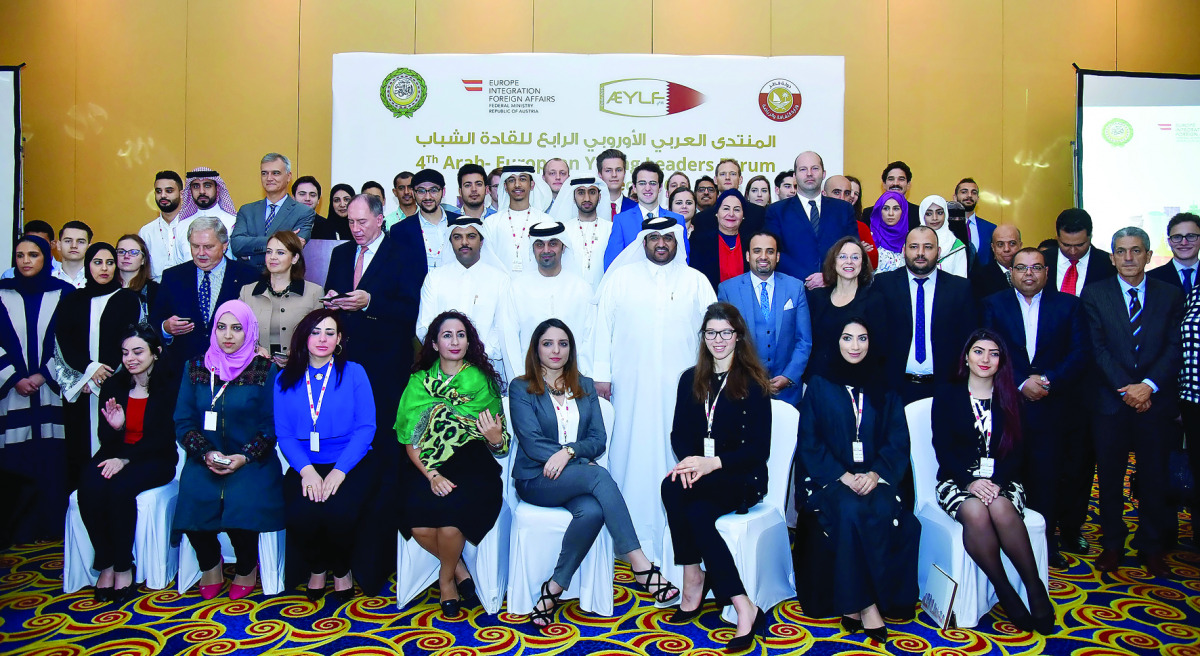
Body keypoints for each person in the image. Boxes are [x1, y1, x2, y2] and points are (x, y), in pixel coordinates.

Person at [510, 319, 679, 626]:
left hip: (573, 477)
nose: (556, 350)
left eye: (563, 343)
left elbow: (597, 440)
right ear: (536, 349)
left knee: (591, 512)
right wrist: (569, 458)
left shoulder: (584, 385)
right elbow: (532, 443)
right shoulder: (521, 387)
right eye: (548, 343)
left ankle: (552, 590)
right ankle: (641, 566)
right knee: (599, 476)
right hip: (536, 478)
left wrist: (569, 452)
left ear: (571, 349)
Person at [594, 216, 716, 562]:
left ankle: (676, 534)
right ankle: (629, 539)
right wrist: (601, 374)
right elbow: (602, 329)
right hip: (630, 385)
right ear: (643, 242)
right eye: (654, 238)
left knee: (676, 447)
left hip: (685, 387)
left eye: (668, 238)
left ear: (677, 241)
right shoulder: (620, 279)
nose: (661, 244)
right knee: (631, 450)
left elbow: (712, 333)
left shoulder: (696, 281)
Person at [794, 318, 918, 641]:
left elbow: (897, 440)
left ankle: (855, 604)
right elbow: (809, 442)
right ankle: (867, 604)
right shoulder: (819, 386)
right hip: (831, 481)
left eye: (862, 338)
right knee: (849, 510)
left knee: (878, 509)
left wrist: (876, 473)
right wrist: (843, 476)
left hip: (877, 478)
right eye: (847, 338)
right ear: (836, 341)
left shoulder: (885, 386)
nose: (855, 346)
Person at [661, 302, 771, 652]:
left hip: (741, 476)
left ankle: (738, 604)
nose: (718, 339)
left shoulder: (753, 382)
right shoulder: (690, 379)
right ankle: (701, 580)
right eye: (711, 333)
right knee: (672, 486)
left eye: (725, 332)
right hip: (703, 474)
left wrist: (713, 464)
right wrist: (690, 464)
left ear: (738, 336)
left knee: (691, 507)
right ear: (703, 337)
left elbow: (758, 450)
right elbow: (679, 436)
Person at [932, 329, 1055, 634]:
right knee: (974, 511)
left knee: (999, 508)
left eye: (993, 353)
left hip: (1004, 480)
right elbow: (943, 448)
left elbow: (1018, 450)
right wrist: (970, 482)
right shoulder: (948, 394)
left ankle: (1033, 586)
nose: (985, 359)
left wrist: (997, 481)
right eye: (978, 351)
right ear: (967, 356)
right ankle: (1004, 589)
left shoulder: (1010, 396)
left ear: (1002, 361)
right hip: (957, 480)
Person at [1081, 226, 1183, 577]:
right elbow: (1098, 349)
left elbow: (1174, 347)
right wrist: (1128, 388)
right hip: (1112, 403)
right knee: (1109, 478)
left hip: (1155, 403)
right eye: (1121, 251)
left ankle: (1151, 546)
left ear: (1148, 255)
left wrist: (1149, 386)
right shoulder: (1095, 294)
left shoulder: (1170, 295)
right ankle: (1113, 544)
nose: (1128, 258)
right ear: (1111, 257)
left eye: (1136, 251)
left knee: (1154, 477)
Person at [394, 310, 508, 618]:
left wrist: (495, 438)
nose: (454, 341)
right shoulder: (419, 381)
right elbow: (409, 440)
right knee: (417, 523)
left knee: (450, 521)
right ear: (433, 343)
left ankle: (446, 582)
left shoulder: (480, 380)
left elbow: (499, 443)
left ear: (469, 341)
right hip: (425, 463)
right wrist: (431, 475)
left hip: (473, 464)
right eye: (447, 335)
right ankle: (457, 568)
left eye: (461, 335)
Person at [982, 247, 1086, 569]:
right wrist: (1019, 383)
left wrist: (1048, 380)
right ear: (1011, 273)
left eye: (1036, 268)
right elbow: (986, 348)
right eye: (1021, 268)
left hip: (1052, 406)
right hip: (1006, 403)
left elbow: (1080, 353)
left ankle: (1045, 540)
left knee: (1047, 475)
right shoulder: (993, 304)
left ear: (1046, 272)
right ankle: (1007, 536)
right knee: (1009, 472)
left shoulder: (1068, 306)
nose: (1029, 274)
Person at [174, 300, 282, 600]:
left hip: (252, 461)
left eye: (237, 328)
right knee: (193, 499)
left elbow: (271, 425)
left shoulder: (264, 369)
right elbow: (183, 420)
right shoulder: (195, 367)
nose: (228, 335)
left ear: (249, 331)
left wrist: (244, 457)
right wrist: (205, 453)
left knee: (242, 502)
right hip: (204, 457)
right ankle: (210, 564)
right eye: (222, 327)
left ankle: (247, 566)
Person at [274, 308, 380, 600]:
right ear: (303, 337)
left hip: (351, 461)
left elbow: (366, 428)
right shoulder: (284, 378)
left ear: (340, 339)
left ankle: (342, 569)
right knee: (300, 514)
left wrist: (339, 471)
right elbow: (284, 434)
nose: (322, 339)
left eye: (330, 333)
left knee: (339, 513)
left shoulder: (355, 372)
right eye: (315, 332)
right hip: (305, 462)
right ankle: (317, 567)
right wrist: (307, 472)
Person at [325, 193, 426, 465]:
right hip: (345, 359)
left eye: (362, 222)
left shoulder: (404, 254)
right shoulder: (341, 253)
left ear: (380, 220)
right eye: (350, 222)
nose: (355, 229)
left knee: (383, 436)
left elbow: (410, 309)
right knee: (346, 430)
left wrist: (370, 302)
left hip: (387, 362)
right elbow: (331, 296)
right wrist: (333, 299)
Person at [79, 325, 177, 602]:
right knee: (88, 485)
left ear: (155, 353)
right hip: (115, 451)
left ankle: (123, 565)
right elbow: (104, 437)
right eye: (125, 353)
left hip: (154, 458)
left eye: (137, 351)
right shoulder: (114, 385)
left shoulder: (168, 386)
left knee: (119, 489)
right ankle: (106, 562)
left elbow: (164, 438)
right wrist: (118, 428)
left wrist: (126, 458)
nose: (130, 358)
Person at [0, 235, 75, 546]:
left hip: (51, 391)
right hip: (12, 392)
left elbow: (71, 341)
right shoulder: (1, 294)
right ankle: (18, 529)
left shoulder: (65, 294)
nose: (26, 261)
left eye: (33, 254)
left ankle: (53, 525)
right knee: (14, 459)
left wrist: (44, 375)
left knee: (53, 457)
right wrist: (15, 376)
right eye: (20, 255)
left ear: (46, 257)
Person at [54, 243, 143, 491]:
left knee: (113, 446)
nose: (104, 268)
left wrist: (109, 374)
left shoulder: (127, 299)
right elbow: (63, 344)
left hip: (116, 386)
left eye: (109, 262)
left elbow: (135, 342)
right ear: (87, 265)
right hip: (82, 389)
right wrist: (89, 371)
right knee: (80, 451)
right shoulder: (72, 301)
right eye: (97, 262)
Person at [869, 226, 975, 406]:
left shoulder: (960, 289)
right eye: (913, 247)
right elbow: (874, 338)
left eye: (928, 247)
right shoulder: (883, 285)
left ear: (939, 251)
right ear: (903, 251)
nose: (920, 253)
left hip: (945, 389)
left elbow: (968, 340)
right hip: (893, 390)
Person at [717, 231, 811, 405]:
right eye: (757, 250)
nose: (763, 256)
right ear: (748, 255)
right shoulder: (728, 290)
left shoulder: (795, 287)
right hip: (742, 388)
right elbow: (723, 341)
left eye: (770, 251)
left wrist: (788, 376)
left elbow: (804, 340)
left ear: (777, 257)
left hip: (787, 392)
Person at [151, 218, 259, 366]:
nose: (201, 253)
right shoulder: (173, 276)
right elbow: (155, 321)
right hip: (183, 371)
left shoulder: (248, 276)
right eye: (195, 246)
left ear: (224, 245)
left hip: (233, 368)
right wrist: (166, 328)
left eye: (208, 247)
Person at [418, 217, 512, 380]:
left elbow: (502, 326)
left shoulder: (500, 279)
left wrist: (476, 355)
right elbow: (424, 326)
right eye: (457, 237)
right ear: (451, 242)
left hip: (486, 367)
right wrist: (450, 354)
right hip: (442, 370)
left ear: (481, 242)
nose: (464, 242)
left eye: (471, 236)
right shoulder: (435, 278)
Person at [502, 222, 594, 378]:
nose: (546, 250)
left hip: (574, 378)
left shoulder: (581, 288)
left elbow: (590, 339)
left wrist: (585, 377)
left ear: (563, 247)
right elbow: (509, 339)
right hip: (529, 378)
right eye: (539, 244)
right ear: (533, 248)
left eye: (553, 244)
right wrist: (519, 379)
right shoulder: (517, 288)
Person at [766, 152, 858, 288]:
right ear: (794, 177)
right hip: (794, 291)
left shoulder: (844, 210)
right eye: (803, 169)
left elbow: (852, 249)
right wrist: (808, 278)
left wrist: (827, 276)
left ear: (824, 173)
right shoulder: (776, 211)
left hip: (837, 290)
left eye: (815, 168)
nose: (809, 173)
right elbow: (774, 251)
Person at [238, 231, 325, 365]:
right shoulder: (247, 291)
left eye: (280, 253)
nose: (272, 257)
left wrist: (297, 353)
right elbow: (237, 331)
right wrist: (254, 349)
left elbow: (319, 335)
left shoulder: (314, 292)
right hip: (256, 368)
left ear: (295, 258)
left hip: (299, 367)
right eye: (269, 252)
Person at [230, 153, 315, 270]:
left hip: (284, 280)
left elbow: (295, 247)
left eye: (276, 173)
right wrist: (282, 240)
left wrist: (250, 256)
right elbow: (236, 245)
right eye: (264, 173)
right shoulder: (247, 210)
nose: (269, 178)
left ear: (289, 176)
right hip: (247, 281)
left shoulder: (304, 212)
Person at [805, 237, 873, 382]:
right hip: (819, 381)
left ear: (863, 263)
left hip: (857, 382)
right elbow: (810, 344)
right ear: (833, 262)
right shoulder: (816, 298)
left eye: (855, 257)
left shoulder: (873, 300)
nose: (849, 261)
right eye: (842, 256)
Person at [605, 161, 687, 269]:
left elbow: (683, 261)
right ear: (634, 187)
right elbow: (612, 264)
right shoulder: (622, 220)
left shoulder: (677, 220)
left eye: (653, 183)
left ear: (660, 187)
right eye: (642, 183)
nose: (647, 188)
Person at [481, 165, 554, 275]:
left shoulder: (545, 221)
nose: (517, 184)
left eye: (523, 179)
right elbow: (487, 261)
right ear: (505, 186)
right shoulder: (491, 223)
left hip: (536, 287)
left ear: (532, 184)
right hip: (501, 287)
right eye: (511, 180)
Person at [548, 177, 612, 290]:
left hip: (602, 294)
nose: (587, 198)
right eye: (581, 192)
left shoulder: (611, 228)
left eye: (592, 192)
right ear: (573, 197)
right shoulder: (563, 230)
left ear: (600, 196)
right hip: (569, 294)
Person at [689, 189, 753, 291]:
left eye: (737, 209)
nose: (731, 214)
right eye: (726, 209)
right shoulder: (700, 242)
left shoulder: (751, 243)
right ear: (717, 213)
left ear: (743, 215)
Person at [1044, 208, 1117, 296]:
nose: (1073, 251)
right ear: (1057, 238)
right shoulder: (1042, 261)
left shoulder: (1109, 264)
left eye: (1080, 245)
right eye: (1066, 245)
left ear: (1090, 237)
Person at [400, 169, 461, 271]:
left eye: (434, 190)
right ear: (413, 193)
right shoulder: (400, 230)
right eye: (421, 191)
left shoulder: (459, 222)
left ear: (443, 191)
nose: (428, 197)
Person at [137, 171, 189, 281]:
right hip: (155, 291)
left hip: (188, 288)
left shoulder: (192, 227)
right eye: (158, 191)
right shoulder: (146, 231)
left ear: (181, 194)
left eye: (169, 191)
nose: (163, 195)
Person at [825, 175, 877, 268]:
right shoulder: (814, 222)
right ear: (824, 194)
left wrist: (859, 253)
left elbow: (873, 260)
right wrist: (857, 251)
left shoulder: (861, 227)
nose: (842, 198)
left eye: (847, 193)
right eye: (836, 192)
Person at [1147, 212, 1200, 293]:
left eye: (1191, 236)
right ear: (1169, 241)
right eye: (1177, 237)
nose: (1184, 243)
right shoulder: (1149, 279)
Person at [179, 168, 238, 236]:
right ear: (190, 191)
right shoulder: (182, 226)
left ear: (217, 189)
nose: (202, 191)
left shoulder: (233, 222)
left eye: (207, 186)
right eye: (196, 186)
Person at [919, 195, 968, 278]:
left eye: (939, 213)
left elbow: (961, 280)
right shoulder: (913, 242)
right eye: (929, 213)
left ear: (946, 214)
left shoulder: (956, 246)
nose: (934, 218)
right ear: (922, 216)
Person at [862, 162, 919, 230]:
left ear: (908, 184)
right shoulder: (869, 214)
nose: (895, 183)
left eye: (901, 179)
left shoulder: (917, 213)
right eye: (891, 179)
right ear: (884, 185)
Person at [970, 225, 1022, 299]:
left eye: (1012, 243)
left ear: (1020, 245)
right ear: (993, 248)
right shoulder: (979, 278)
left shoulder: (1029, 272)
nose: (1006, 249)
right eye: (1000, 244)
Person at [115, 233, 158, 320]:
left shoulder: (154, 290)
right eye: (121, 252)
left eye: (133, 252)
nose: (126, 256)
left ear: (143, 260)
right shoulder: (106, 288)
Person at [955, 178, 996, 265]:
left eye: (973, 192)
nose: (969, 195)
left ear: (977, 198)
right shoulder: (946, 226)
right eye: (964, 192)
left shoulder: (991, 229)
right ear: (955, 197)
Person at [867, 191, 909, 273]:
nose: (890, 213)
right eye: (886, 208)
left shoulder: (911, 240)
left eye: (896, 208)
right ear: (879, 211)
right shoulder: (869, 239)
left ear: (903, 212)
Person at [597, 149, 635, 218]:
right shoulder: (591, 208)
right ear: (600, 175)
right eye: (608, 170)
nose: (614, 175)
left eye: (618, 170)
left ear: (624, 173)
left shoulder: (636, 208)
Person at [54, 220, 92, 289]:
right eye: (68, 241)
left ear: (89, 247)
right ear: (59, 245)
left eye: (80, 242)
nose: (74, 246)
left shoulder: (97, 281)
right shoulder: (48, 280)